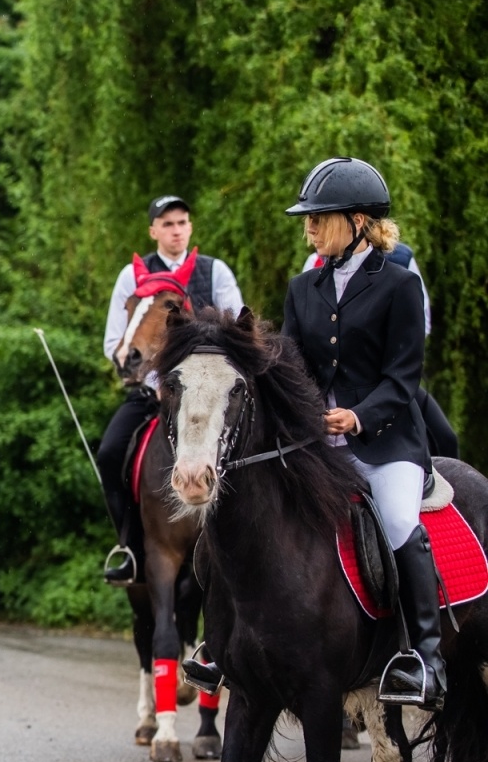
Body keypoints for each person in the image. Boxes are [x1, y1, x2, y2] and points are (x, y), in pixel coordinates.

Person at [187, 158, 444, 711]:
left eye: (317, 219)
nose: (307, 228)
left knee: (399, 520)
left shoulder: (400, 286)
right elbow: (293, 367)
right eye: (306, 220)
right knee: (238, 513)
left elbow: (404, 380)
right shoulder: (303, 288)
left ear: (356, 222)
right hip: (312, 444)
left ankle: (424, 655)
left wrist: (357, 416)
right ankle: (217, 643)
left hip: (385, 440)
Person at [99, 196, 246, 583]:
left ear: (190, 227)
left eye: (182, 222)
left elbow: (237, 337)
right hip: (152, 395)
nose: (176, 230)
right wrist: (158, 384)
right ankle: (129, 546)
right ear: (153, 231)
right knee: (110, 453)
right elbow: (115, 343)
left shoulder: (215, 273)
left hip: (210, 399)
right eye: (167, 224)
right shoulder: (132, 276)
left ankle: (247, 549)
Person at [302, 243, 459, 458]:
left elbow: (422, 321)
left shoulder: (402, 258)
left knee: (446, 438)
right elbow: (309, 323)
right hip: (330, 383)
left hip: (383, 376)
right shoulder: (315, 263)